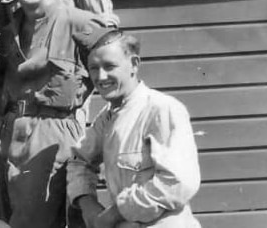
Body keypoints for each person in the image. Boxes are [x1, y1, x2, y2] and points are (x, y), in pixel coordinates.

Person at [0, 0, 102, 228]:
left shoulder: (79, 22)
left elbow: (116, 60)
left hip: (52, 137)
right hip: (9, 134)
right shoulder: (10, 32)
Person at [68, 27, 202, 228]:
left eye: (109, 66)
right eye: (94, 68)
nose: (101, 77)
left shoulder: (161, 110)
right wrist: (88, 205)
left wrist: (115, 213)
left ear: (134, 64)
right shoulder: (107, 118)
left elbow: (177, 184)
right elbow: (79, 160)